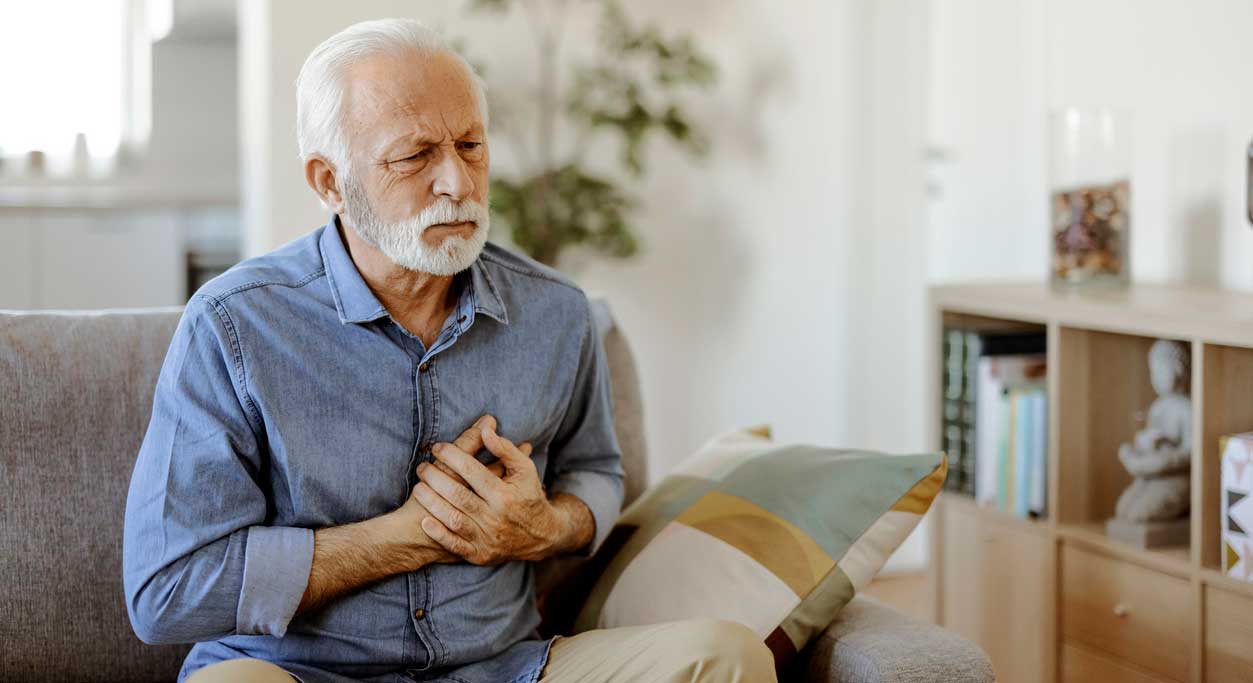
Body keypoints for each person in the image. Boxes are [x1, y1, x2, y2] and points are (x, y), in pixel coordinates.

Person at [122, 17, 774, 683]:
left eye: (469, 145)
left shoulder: (558, 311)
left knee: (729, 656)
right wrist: (405, 536)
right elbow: (166, 589)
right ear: (328, 181)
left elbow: (597, 472)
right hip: (298, 670)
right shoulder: (235, 323)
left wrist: (542, 525)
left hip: (504, 667)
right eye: (414, 156)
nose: (457, 183)